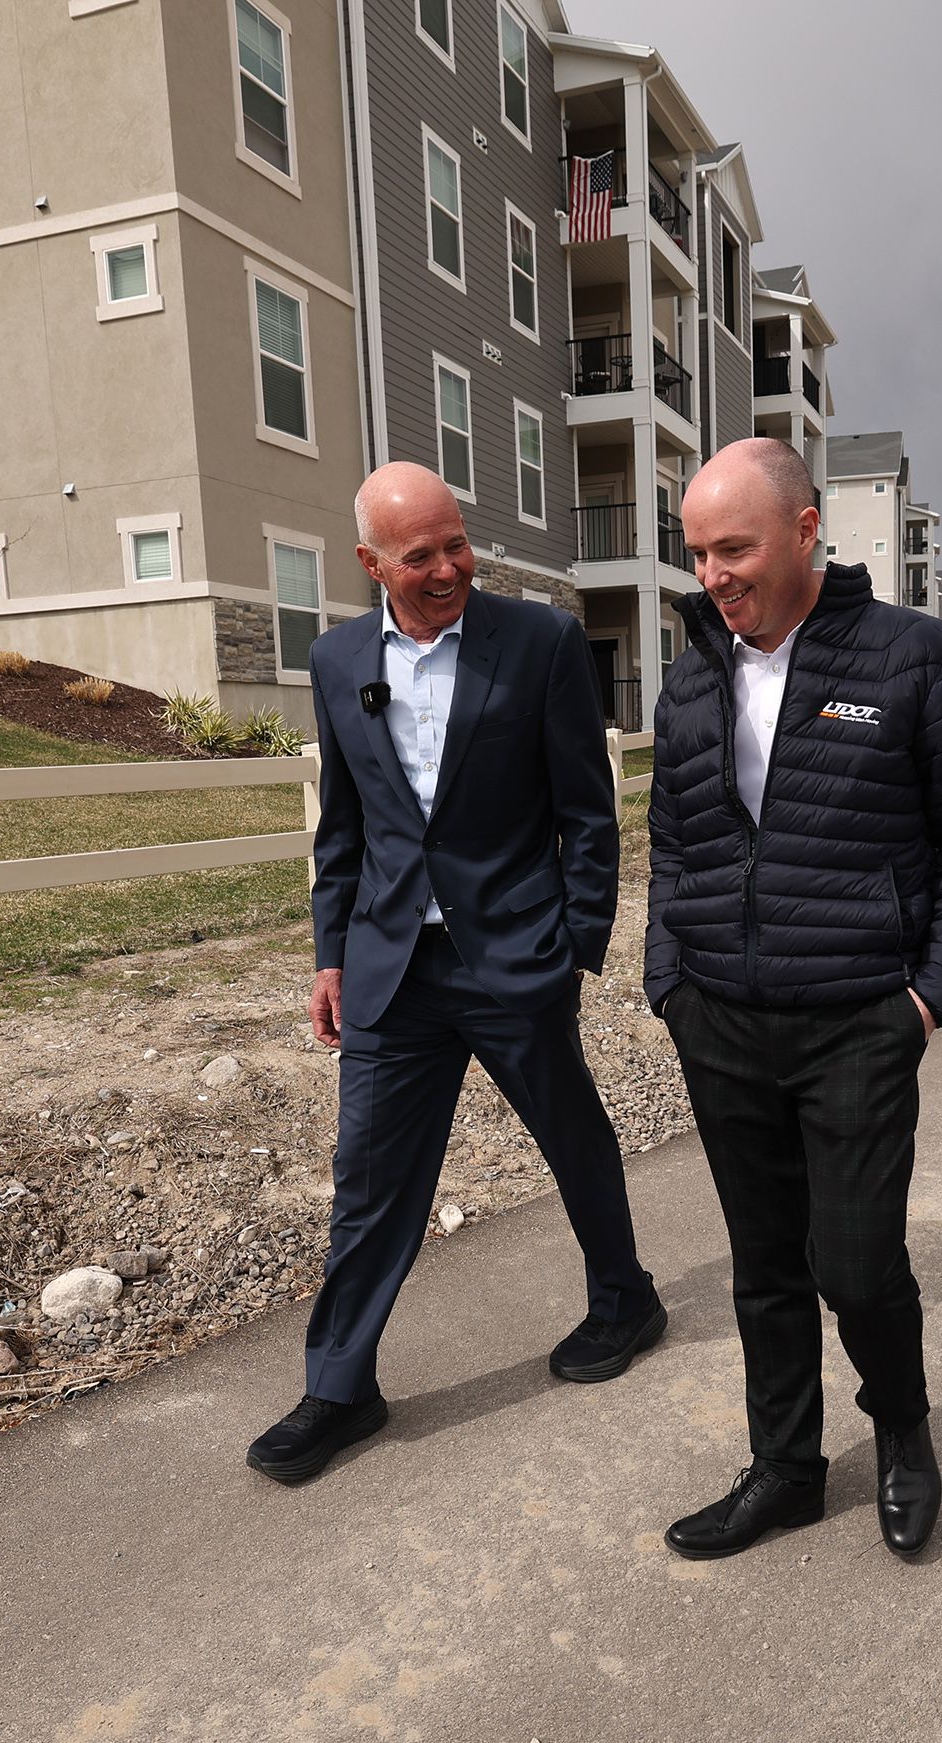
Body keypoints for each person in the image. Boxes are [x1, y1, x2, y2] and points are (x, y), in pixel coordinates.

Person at [248, 463, 666, 1483]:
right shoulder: (339, 657)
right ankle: (341, 1386)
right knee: (368, 1175)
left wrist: (574, 944)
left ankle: (625, 1297)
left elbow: (585, 808)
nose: (446, 567)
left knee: (570, 1133)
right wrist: (330, 953)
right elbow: (342, 826)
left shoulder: (542, 641)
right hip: (393, 966)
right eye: (419, 553)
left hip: (515, 955)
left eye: (456, 542)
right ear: (370, 562)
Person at [645, 439, 942, 1560]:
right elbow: (671, 844)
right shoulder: (689, 676)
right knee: (763, 1266)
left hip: (859, 1017)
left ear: (807, 532)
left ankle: (902, 1430)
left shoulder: (918, 661)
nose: (714, 574)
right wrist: (672, 981)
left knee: (855, 1265)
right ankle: (786, 1469)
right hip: (721, 1018)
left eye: (735, 547)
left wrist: (931, 995)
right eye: (698, 551)